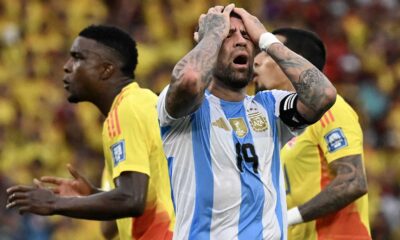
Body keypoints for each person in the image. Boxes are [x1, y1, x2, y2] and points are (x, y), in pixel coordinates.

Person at [157, 4, 336, 239]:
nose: (240, 41)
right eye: (228, 35)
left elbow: (323, 95)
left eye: (246, 35)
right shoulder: (186, 109)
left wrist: (264, 38)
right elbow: (191, 78)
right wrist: (211, 35)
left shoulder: (269, 107)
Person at [7, 25, 175, 240]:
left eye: (78, 58)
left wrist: (54, 203)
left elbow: (133, 199)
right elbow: (144, 197)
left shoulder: (126, 109)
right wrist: (93, 196)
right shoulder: (142, 101)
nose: (67, 67)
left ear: (106, 69)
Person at [253, 27, 371, 239]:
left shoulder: (330, 109)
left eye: (267, 53)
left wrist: (288, 217)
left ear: (294, 61)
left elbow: (353, 182)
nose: (256, 61)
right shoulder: (272, 125)